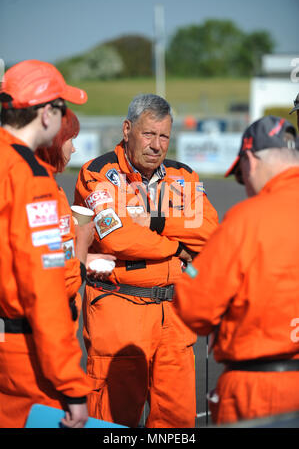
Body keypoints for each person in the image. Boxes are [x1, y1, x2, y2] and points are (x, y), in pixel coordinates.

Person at [74, 93, 218, 428]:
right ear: (127, 130)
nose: (156, 145)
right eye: (148, 134)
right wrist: (179, 247)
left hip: (175, 318)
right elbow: (117, 237)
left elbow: (211, 234)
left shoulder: (183, 176)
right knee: (112, 423)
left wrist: (158, 223)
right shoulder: (98, 173)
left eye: (164, 136)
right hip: (118, 311)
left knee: (177, 422)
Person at [173, 115, 299, 425]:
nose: (245, 186)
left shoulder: (246, 220)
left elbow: (193, 306)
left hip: (260, 389)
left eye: (241, 176)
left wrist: (191, 269)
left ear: (250, 161)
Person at [0, 59, 91, 428]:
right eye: (63, 107)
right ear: (46, 113)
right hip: (29, 357)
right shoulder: (32, 180)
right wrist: (72, 388)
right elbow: (44, 287)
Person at [36, 108, 116, 326]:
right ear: (54, 142)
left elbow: (49, 255)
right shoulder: (40, 192)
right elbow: (63, 281)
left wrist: (87, 260)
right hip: (47, 322)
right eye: (70, 140)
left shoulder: (53, 188)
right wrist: (82, 243)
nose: (73, 148)